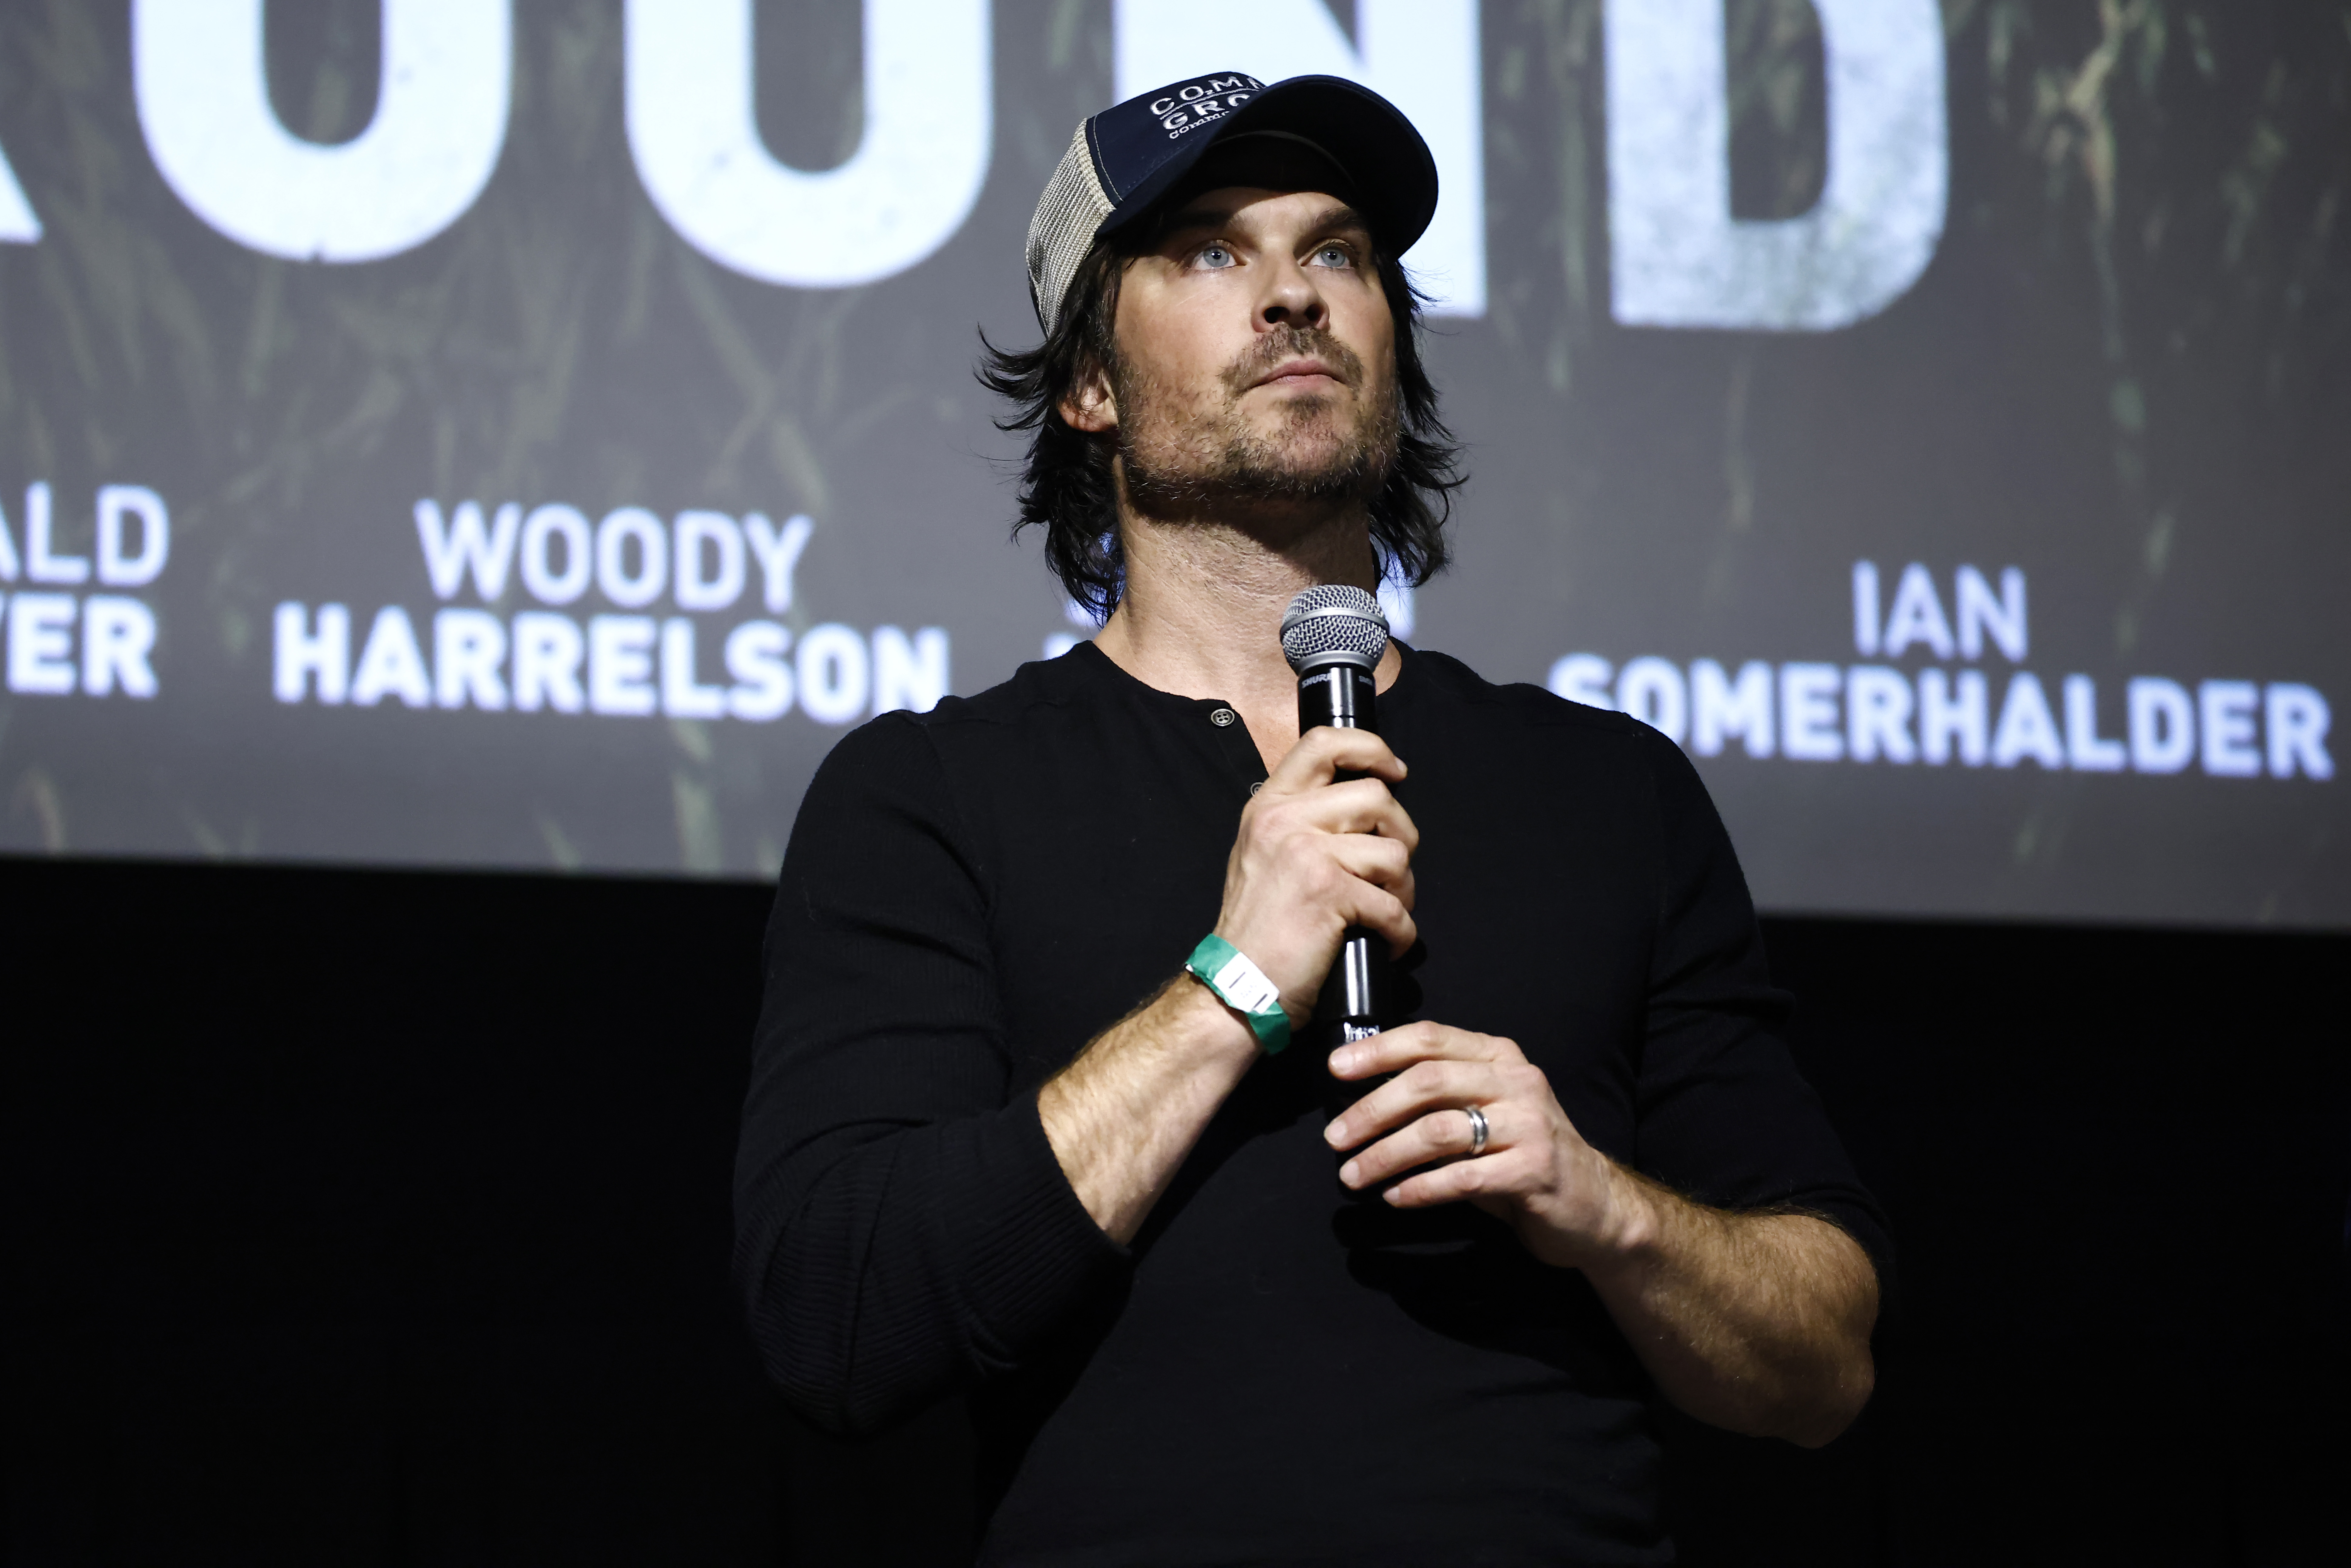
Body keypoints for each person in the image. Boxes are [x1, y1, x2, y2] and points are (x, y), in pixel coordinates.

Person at [735, 71, 1886, 1564]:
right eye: (1214, 250)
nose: (1294, 295)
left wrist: (1605, 1203)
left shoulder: (1609, 789)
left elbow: (1826, 1364)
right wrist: (1229, 990)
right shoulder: (935, 796)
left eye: (1336, 251)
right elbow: (837, 1325)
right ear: (1088, 385)